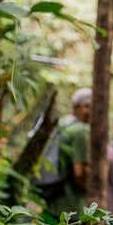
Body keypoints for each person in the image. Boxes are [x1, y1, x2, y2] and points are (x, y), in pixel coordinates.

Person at [39, 87, 92, 218]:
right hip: (72, 206)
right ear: (83, 107)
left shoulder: (62, 123)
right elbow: (79, 173)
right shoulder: (81, 131)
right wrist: (92, 192)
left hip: (52, 196)